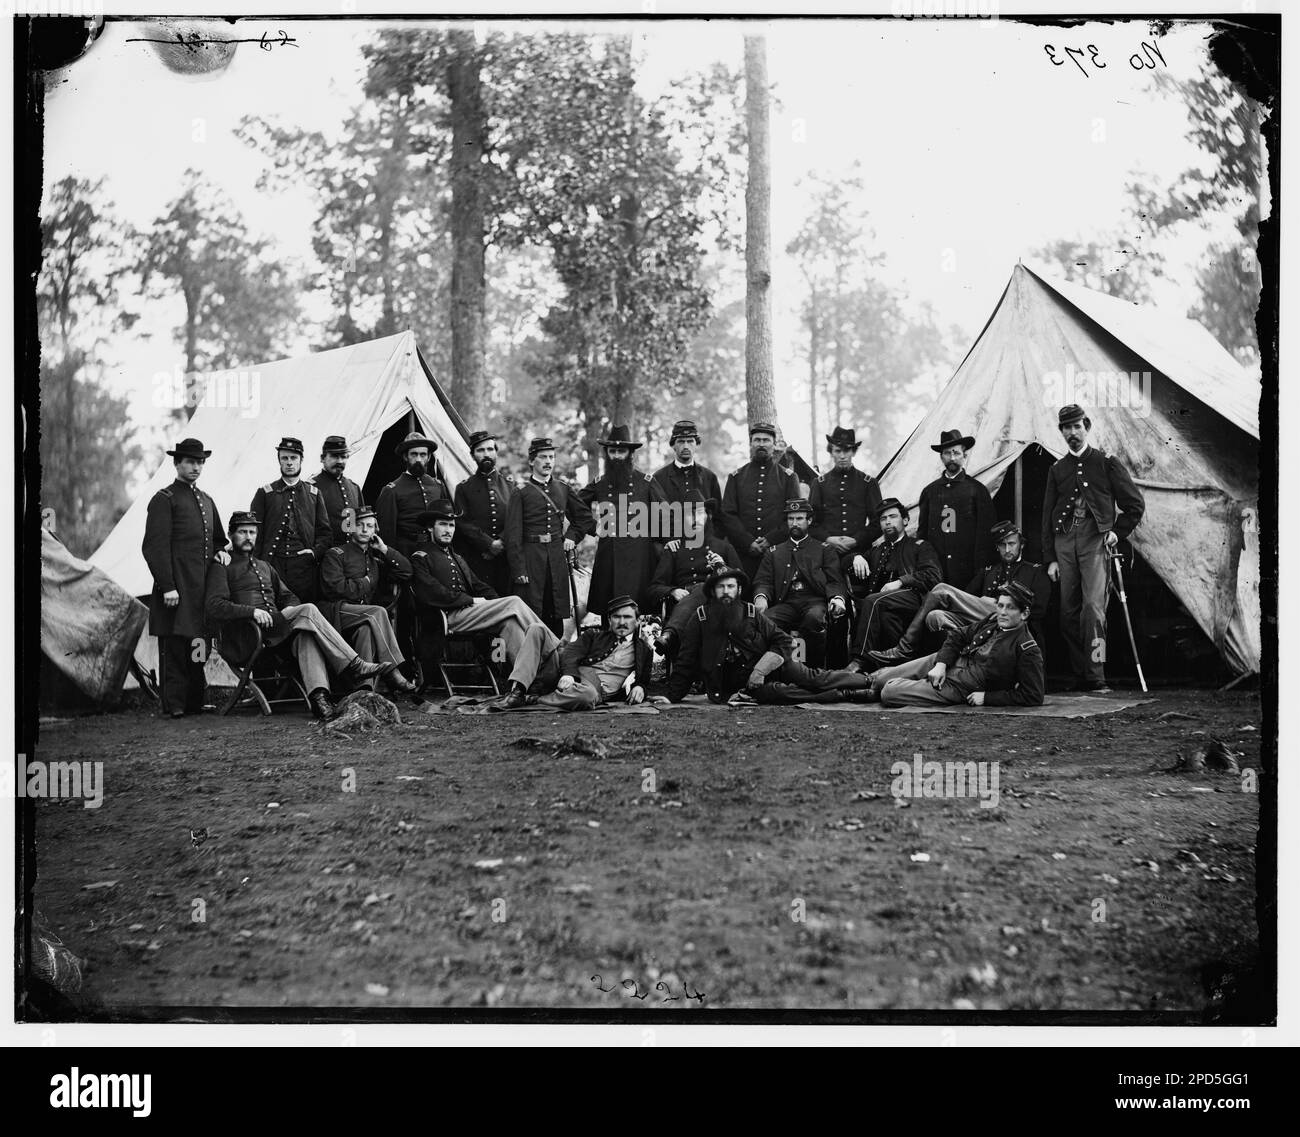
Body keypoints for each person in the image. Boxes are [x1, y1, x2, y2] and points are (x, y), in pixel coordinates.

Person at [204, 513, 398, 720]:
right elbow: (215, 606)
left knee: (305, 634)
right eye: (242, 532)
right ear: (231, 534)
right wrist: (252, 611)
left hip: (275, 630)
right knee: (308, 610)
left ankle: (319, 700)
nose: (248, 537)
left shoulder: (264, 566)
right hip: (246, 635)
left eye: (252, 532)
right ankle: (354, 665)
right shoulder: (222, 566)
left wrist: (288, 610)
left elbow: (289, 597)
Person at [1042, 404, 1146, 693]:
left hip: (1094, 540)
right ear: (1061, 431)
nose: (1072, 433)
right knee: (1067, 612)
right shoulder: (1057, 469)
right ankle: (1080, 674)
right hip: (1064, 543)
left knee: (1093, 610)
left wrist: (1116, 532)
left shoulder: (1106, 462)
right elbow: (1047, 516)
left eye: (1077, 426)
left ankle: (1096, 675)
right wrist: (1050, 558)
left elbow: (1135, 506)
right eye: (1067, 428)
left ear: (1086, 427)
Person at [667, 566, 873, 705]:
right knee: (781, 694)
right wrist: (672, 697)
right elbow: (686, 659)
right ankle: (847, 694)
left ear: (739, 590)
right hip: (741, 685)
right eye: (721, 587)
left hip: (775, 665)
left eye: (731, 586)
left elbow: (783, 641)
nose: (726, 591)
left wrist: (760, 669)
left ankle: (867, 681)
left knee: (814, 678)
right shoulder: (700, 618)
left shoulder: (750, 612)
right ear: (712, 591)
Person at [867, 520, 1050, 665]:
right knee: (935, 616)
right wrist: (979, 602)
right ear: (997, 547)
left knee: (941, 590)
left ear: (1021, 545)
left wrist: (997, 604)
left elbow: (1038, 611)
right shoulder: (988, 571)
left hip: (1011, 624)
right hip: (981, 625)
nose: (1007, 549)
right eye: (1002, 545)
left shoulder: (1034, 571)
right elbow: (964, 599)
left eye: (1012, 544)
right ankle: (957, 661)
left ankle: (904, 648)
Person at [409, 500, 548, 690]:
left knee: (511, 623)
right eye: (442, 524)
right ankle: (552, 648)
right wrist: (472, 600)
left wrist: (497, 602)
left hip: (471, 615)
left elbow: (479, 586)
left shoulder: (457, 558)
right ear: (430, 528)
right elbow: (432, 592)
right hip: (447, 618)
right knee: (514, 602)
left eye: (451, 525)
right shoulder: (420, 557)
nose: (448, 530)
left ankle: (528, 682)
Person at [141, 437, 230, 718]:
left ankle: (195, 700)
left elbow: (218, 541)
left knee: (198, 645)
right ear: (177, 463)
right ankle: (175, 705)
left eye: (200, 462)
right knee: (176, 647)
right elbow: (154, 548)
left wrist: (221, 554)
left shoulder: (206, 500)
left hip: (201, 590)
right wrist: (167, 586)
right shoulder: (164, 499)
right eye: (190, 461)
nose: (196, 467)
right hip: (176, 589)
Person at [864, 581, 1044, 708]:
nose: (1002, 613)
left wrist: (987, 698)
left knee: (888, 691)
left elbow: (1033, 695)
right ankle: (860, 686)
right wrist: (941, 664)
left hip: (959, 687)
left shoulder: (1027, 648)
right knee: (880, 681)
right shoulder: (993, 620)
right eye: (1000, 606)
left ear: (1024, 613)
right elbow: (959, 635)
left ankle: (862, 690)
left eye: (1010, 607)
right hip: (946, 663)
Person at [317, 506, 417, 694]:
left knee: (366, 630)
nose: (364, 530)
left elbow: (406, 571)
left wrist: (384, 549)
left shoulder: (375, 557)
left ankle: (364, 689)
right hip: (336, 612)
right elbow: (336, 589)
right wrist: (366, 582)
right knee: (377, 612)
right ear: (350, 528)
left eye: (369, 526)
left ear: (375, 531)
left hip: (363, 617)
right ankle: (393, 671)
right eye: (359, 525)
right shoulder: (336, 553)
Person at [504, 436, 596, 637]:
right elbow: (513, 535)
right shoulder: (521, 492)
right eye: (543, 457)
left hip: (556, 559)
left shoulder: (562, 489)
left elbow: (584, 518)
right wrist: (519, 569)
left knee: (555, 612)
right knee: (531, 613)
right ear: (531, 461)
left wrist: (572, 537)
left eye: (551, 457)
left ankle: (554, 663)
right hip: (531, 559)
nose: (548, 462)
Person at [495, 595, 651, 711]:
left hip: (591, 690)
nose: (622, 622)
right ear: (609, 620)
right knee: (537, 629)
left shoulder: (644, 650)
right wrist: (569, 674)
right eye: (617, 617)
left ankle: (536, 699)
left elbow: (644, 679)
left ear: (637, 621)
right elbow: (570, 652)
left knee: (587, 697)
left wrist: (640, 688)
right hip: (564, 676)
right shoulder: (593, 635)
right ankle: (517, 691)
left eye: (628, 617)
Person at [580, 423, 669, 618]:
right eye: (613, 451)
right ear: (607, 454)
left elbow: (665, 514)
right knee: (609, 610)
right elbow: (577, 505)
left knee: (639, 612)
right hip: (609, 555)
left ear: (630, 454)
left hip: (640, 556)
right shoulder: (600, 483)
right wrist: (594, 527)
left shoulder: (646, 482)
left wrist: (660, 545)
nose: (617, 456)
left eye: (622, 451)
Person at [847, 498, 942, 668]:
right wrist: (856, 556)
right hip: (886, 605)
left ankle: (858, 661)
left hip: (913, 597)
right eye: (883, 519)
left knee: (872, 600)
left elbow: (933, 575)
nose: (888, 522)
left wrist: (900, 581)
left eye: (893, 516)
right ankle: (892, 667)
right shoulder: (877, 550)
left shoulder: (919, 546)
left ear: (905, 521)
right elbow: (844, 562)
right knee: (886, 617)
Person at [752, 498, 847, 668]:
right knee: (765, 620)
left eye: (799, 518)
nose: (794, 523)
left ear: (809, 521)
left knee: (814, 619)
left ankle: (812, 671)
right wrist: (761, 597)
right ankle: (777, 672)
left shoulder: (824, 549)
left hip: (814, 602)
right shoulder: (774, 552)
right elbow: (763, 581)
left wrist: (837, 598)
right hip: (786, 603)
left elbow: (835, 580)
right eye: (791, 519)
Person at [646, 490, 738, 659]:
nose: (695, 519)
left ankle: (669, 635)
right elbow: (654, 588)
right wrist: (672, 591)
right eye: (690, 514)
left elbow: (741, 582)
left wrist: (722, 566)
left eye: (700, 513)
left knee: (704, 587)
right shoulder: (675, 549)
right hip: (684, 602)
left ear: (708, 516)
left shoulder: (723, 547)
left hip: (718, 603)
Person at [249, 436, 333, 602]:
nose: (289, 462)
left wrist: (314, 552)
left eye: (293, 458)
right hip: (273, 565)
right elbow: (254, 534)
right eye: (284, 458)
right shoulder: (265, 493)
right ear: (279, 461)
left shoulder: (313, 494)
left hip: (303, 568)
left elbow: (325, 534)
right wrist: (258, 565)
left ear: (301, 460)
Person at [915, 428, 996, 588]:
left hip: (968, 570)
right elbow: (922, 534)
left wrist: (980, 572)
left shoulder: (977, 490)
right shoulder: (930, 491)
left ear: (964, 456)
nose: (952, 458)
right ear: (941, 456)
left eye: (956, 453)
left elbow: (985, 535)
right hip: (938, 569)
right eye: (947, 453)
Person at [808, 426, 883, 596]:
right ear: (831, 452)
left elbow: (878, 523)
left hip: (861, 555)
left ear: (854, 452)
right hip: (826, 555)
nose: (842, 456)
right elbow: (811, 524)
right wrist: (828, 539)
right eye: (838, 450)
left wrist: (856, 541)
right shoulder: (819, 483)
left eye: (847, 450)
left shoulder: (868, 482)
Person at [721, 422, 801, 579]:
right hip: (743, 555)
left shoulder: (788, 477)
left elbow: (794, 517)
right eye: (757, 440)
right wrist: (748, 542)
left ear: (774, 444)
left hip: (778, 553)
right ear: (751, 443)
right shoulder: (736, 477)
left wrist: (770, 540)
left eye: (766, 440)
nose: (761, 444)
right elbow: (728, 515)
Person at [452, 430, 515, 596]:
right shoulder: (464, 488)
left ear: (496, 452)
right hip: (478, 560)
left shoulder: (511, 486)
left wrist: (501, 542)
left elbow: (516, 519)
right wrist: (488, 544)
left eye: (489, 449)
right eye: (480, 450)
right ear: (472, 455)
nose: (486, 454)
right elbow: (462, 523)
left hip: (507, 560)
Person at [375, 432, 450, 556]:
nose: (419, 459)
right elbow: (387, 534)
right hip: (407, 553)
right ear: (405, 457)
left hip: (436, 552)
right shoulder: (392, 490)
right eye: (414, 454)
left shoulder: (438, 486)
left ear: (429, 457)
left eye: (423, 454)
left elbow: (446, 521)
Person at [651, 419, 723, 541]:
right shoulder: (659, 478)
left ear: (696, 444)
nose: (685, 446)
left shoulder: (709, 477)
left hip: (704, 544)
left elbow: (718, 516)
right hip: (674, 545)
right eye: (681, 442)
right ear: (673, 445)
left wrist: (714, 543)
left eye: (690, 441)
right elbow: (656, 518)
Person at [309, 435, 365, 546]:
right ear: (322, 458)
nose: (339, 461)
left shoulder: (354, 487)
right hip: (324, 556)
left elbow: (359, 523)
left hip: (351, 554)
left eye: (343, 457)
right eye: (334, 456)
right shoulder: (311, 488)